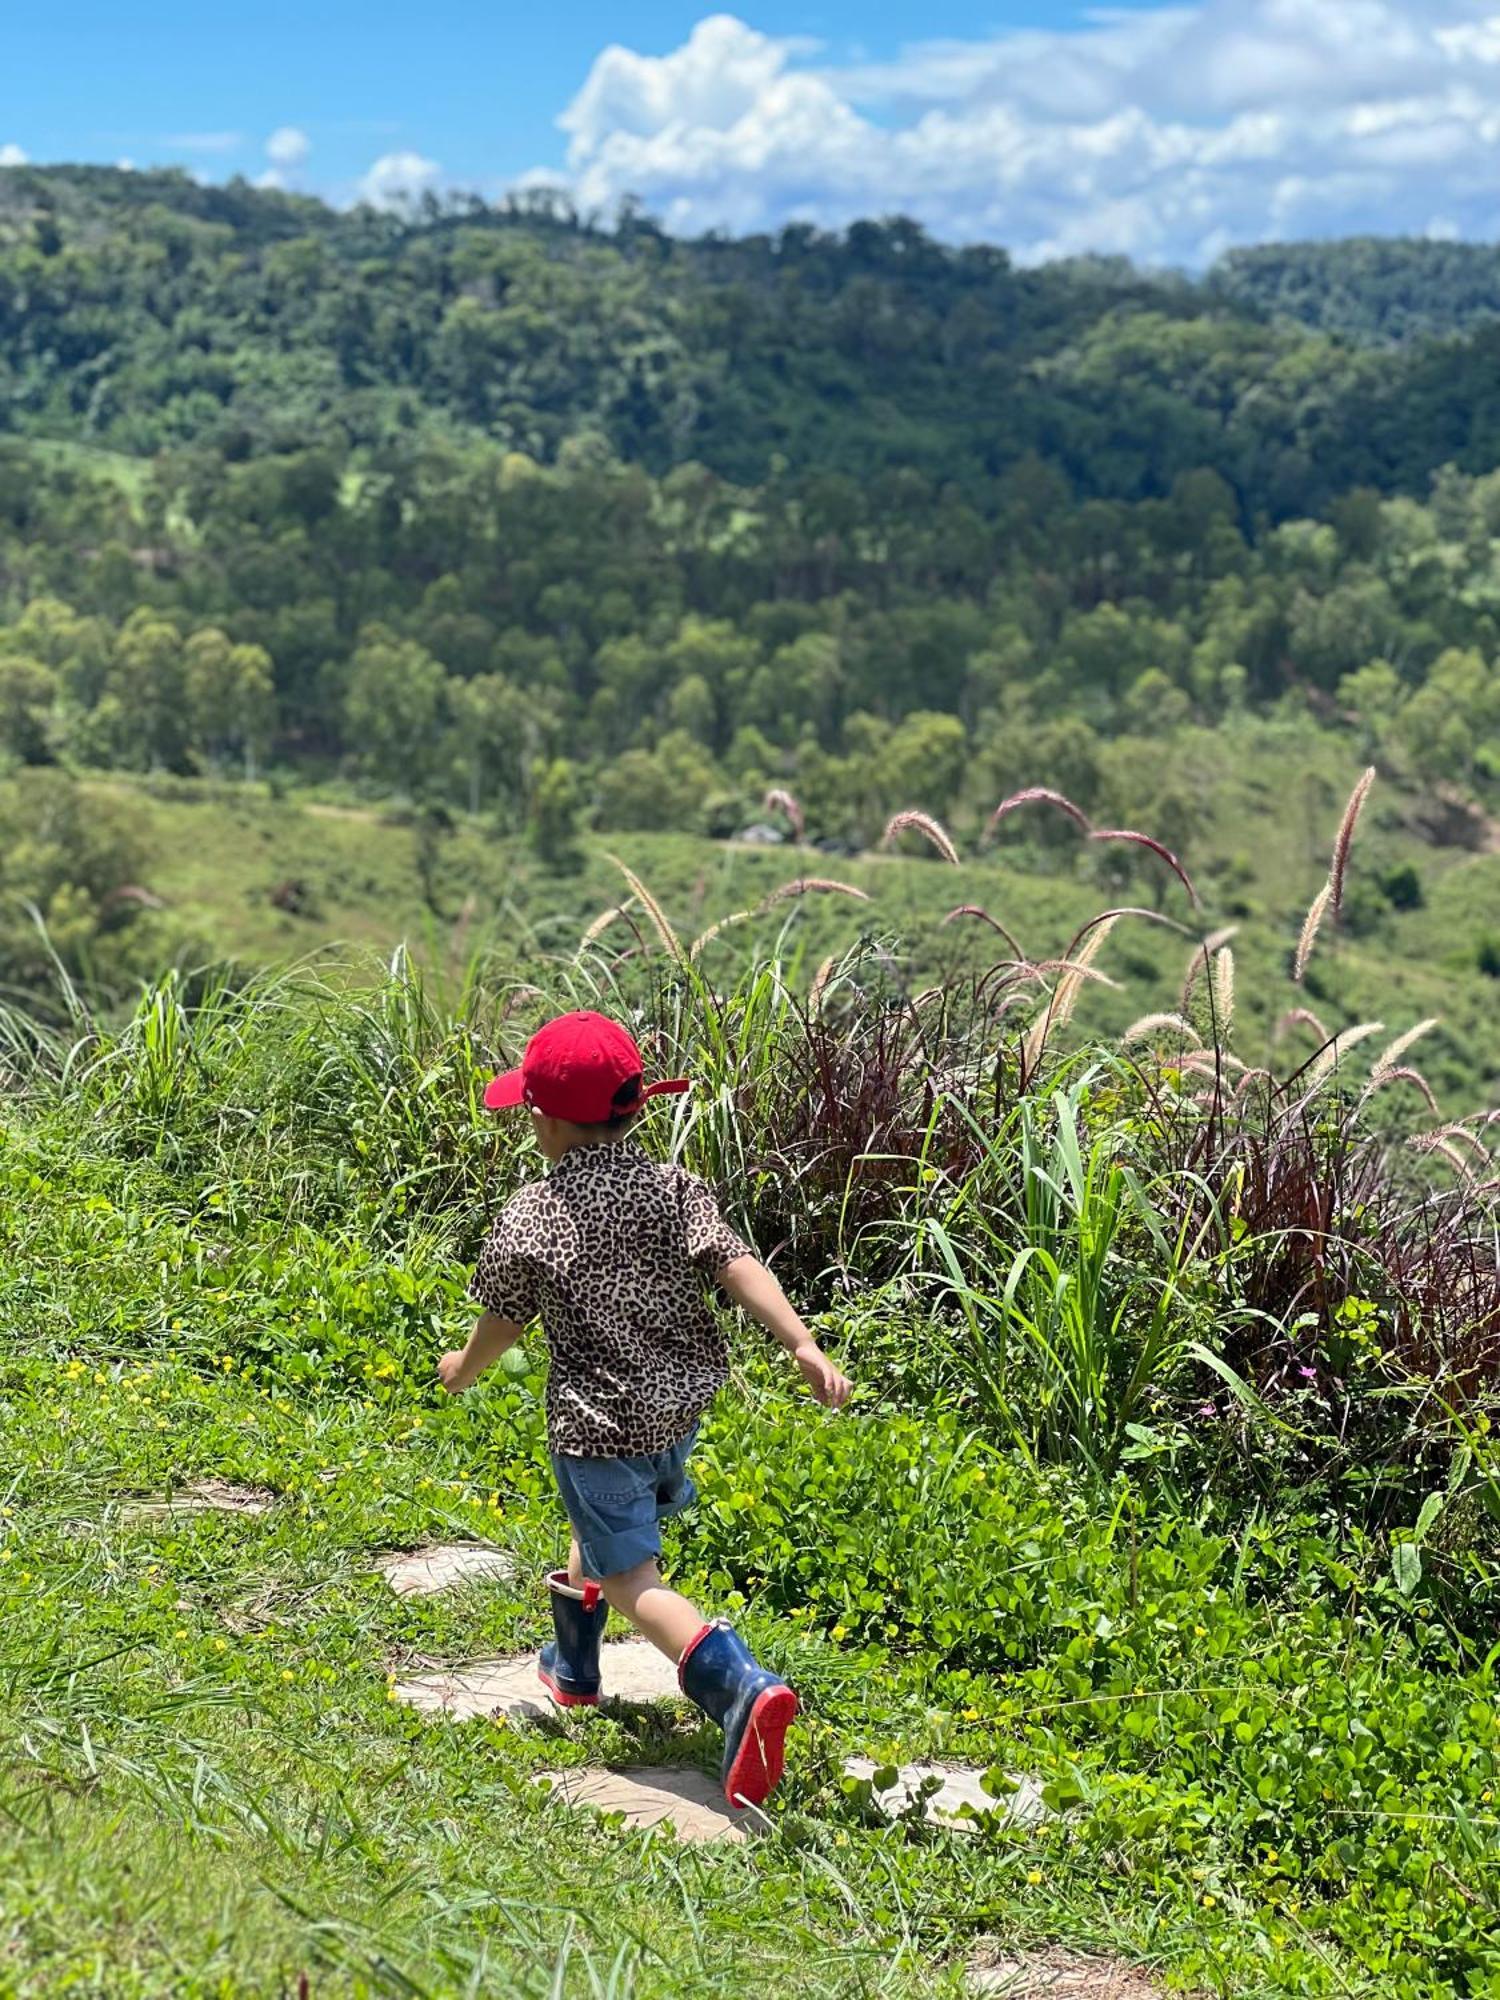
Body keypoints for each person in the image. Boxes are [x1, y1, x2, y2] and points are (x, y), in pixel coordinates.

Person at [438, 1009, 851, 1811]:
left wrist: (463, 1368)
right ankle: (575, 1670)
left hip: (597, 1425)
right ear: (635, 1108)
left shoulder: (532, 1214)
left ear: (542, 1119)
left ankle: (735, 1684)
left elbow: (503, 1322)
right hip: (675, 1413)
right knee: (600, 1529)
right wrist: (801, 1343)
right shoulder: (675, 1187)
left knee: (632, 1576)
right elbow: (738, 1265)